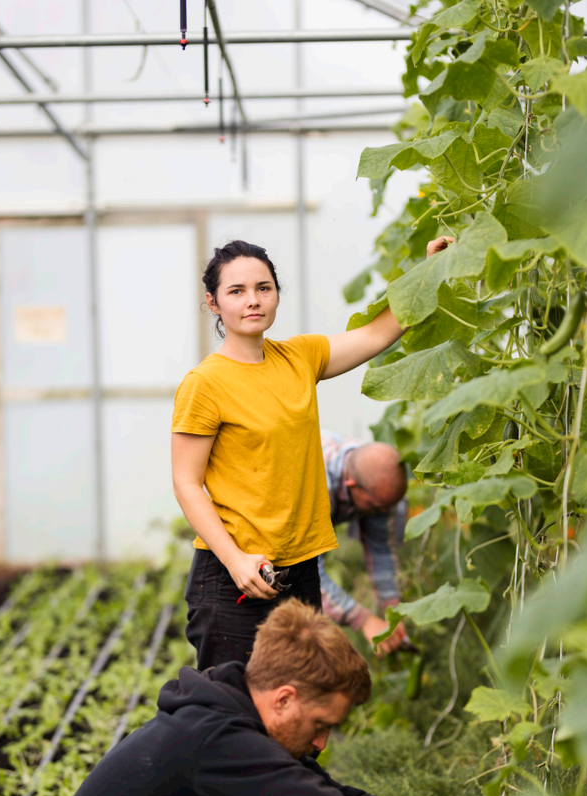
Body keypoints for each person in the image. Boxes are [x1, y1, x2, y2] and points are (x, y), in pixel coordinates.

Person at [24, 600, 506, 796]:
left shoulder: (229, 718)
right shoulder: (218, 742)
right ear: (284, 698)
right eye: (321, 726)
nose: (321, 744)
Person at [172, 237, 454, 671]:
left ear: (277, 296)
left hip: (300, 570)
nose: (253, 300)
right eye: (236, 291)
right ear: (213, 303)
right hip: (237, 574)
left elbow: (378, 332)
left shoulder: (300, 357)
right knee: (233, 712)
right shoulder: (205, 384)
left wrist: (428, 270)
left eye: (264, 288)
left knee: (299, 707)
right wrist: (235, 560)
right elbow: (187, 484)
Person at [319, 430, 409, 654]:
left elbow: (381, 550)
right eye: (377, 508)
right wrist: (363, 619)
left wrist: (393, 611)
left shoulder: (376, 477)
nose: (383, 513)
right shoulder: (316, 485)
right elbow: (305, 568)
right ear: (350, 484)